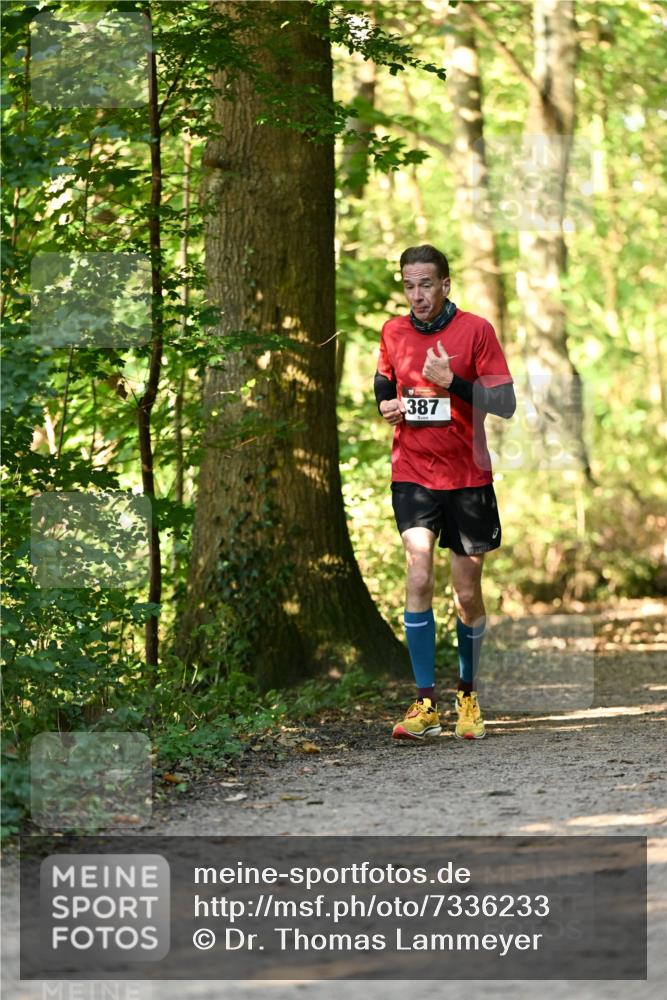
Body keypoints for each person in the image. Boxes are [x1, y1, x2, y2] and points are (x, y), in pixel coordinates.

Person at [374, 244, 515, 741]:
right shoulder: (392, 332)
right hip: (412, 472)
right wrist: (387, 407)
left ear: (445, 284)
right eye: (409, 285)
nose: (417, 295)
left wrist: (452, 381)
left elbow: (505, 402)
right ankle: (424, 703)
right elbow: (383, 384)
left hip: (468, 478)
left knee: (467, 594)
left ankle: (469, 695)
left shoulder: (476, 331)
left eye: (426, 284)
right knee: (417, 576)